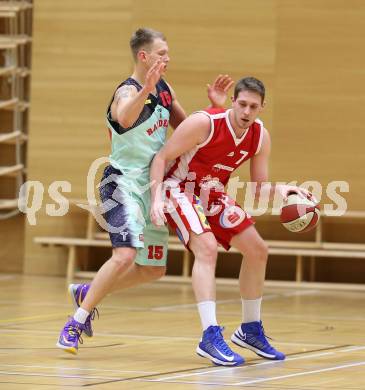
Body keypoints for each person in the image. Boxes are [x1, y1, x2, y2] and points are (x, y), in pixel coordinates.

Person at [56, 27, 233, 354]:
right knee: (124, 256)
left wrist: (214, 109)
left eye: (167, 53)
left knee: (153, 268)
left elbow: (187, 129)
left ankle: (89, 291)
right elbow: (124, 118)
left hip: (153, 187)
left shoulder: (164, 90)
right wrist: (145, 90)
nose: (168, 58)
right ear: (144, 56)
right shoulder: (127, 91)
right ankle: (76, 322)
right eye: (162, 53)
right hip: (120, 183)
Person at [150, 76, 313, 366]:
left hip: (211, 193)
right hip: (177, 187)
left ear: (262, 107)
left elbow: (258, 189)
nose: (246, 112)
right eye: (242, 104)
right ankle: (209, 335)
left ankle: (250, 329)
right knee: (207, 248)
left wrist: (284, 191)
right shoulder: (204, 123)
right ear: (234, 102)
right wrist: (155, 200)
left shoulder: (260, 136)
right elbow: (161, 158)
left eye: (253, 106)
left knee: (258, 250)